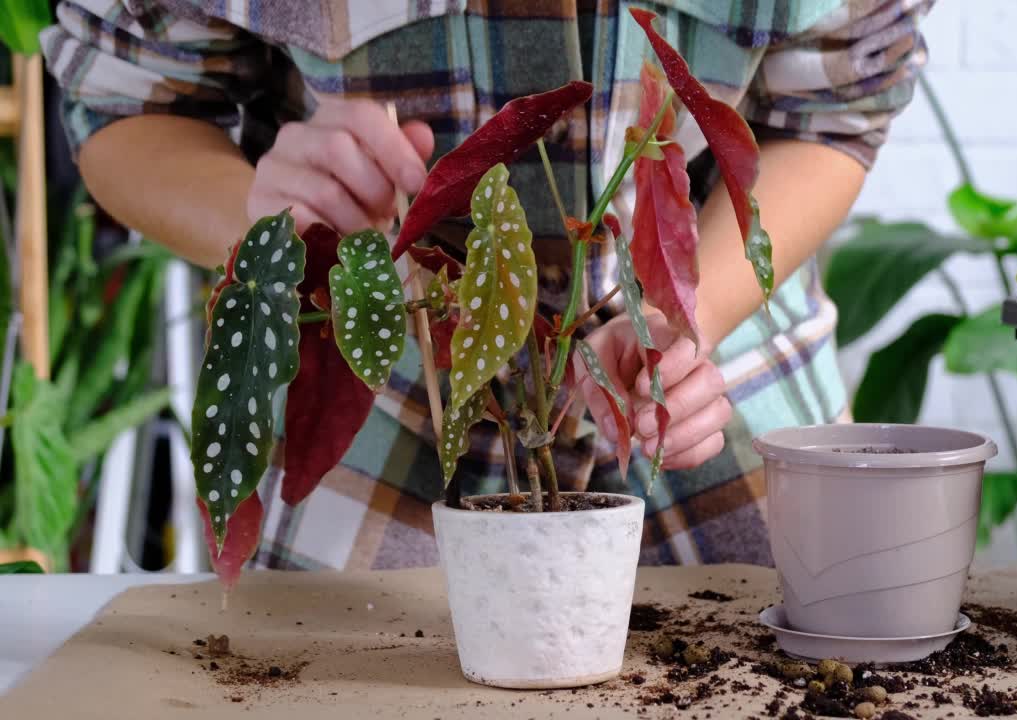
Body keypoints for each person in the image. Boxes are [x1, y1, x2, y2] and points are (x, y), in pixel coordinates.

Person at [43, 0, 932, 570]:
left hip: (705, 401)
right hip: (377, 410)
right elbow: (125, 106)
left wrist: (684, 312)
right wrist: (263, 209)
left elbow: (831, 112)